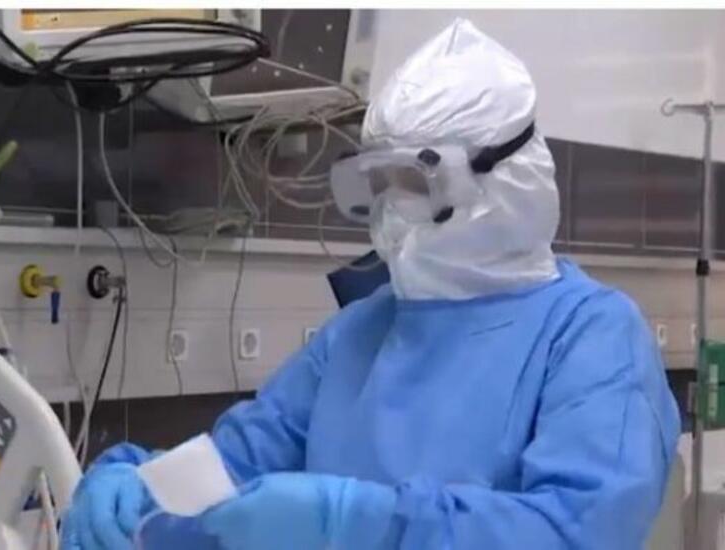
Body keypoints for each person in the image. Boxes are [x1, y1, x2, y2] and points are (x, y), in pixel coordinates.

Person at [61, 17, 680, 550]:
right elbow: (231, 468)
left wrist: (363, 523)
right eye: (377, 185)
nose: (389, 213)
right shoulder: (359, 332)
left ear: (505, 179)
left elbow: (579, 531)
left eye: (413, 183)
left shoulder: (591, 335)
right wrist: (138, 487)